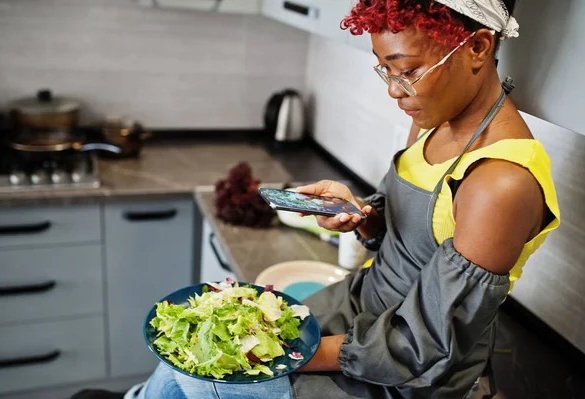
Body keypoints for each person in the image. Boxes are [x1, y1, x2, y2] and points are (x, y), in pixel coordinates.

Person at [119, 0, 560, 398]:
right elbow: (410, 241)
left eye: (407, 70)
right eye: (383, 68)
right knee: (186, 356)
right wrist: (361, 217)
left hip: (409, 371)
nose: (393, 89)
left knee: (205, 376)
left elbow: (422, 344)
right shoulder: (433, 119)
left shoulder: (501, 184)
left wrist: (282, 355)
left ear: (479, 47)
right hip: (357, 305)